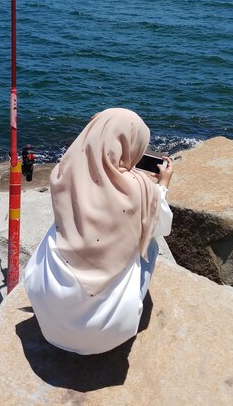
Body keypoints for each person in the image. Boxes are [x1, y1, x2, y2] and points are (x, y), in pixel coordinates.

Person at [24, 108, 173, 355]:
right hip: (110, 333)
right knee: (152, 243)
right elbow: (163, 226)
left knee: (62, 227)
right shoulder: (141, 190)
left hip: (50, 324)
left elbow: (97, 174)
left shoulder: (63, 172)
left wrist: (100, 127)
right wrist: (161, 187)